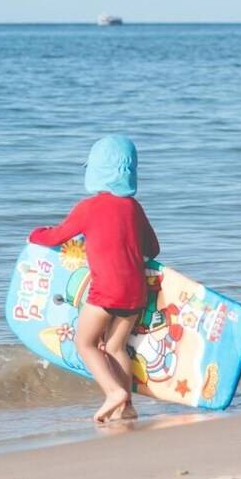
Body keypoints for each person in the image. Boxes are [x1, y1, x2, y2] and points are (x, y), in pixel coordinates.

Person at [29, 136, 160, 423]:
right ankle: (126, 408)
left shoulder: (87, 208)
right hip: (136, 293)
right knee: (114, 348)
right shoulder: (134, 208)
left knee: (84, 343)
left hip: (106, 293)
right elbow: (153, 249)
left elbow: (56, 236)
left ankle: (114, 393)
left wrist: (35, 235)